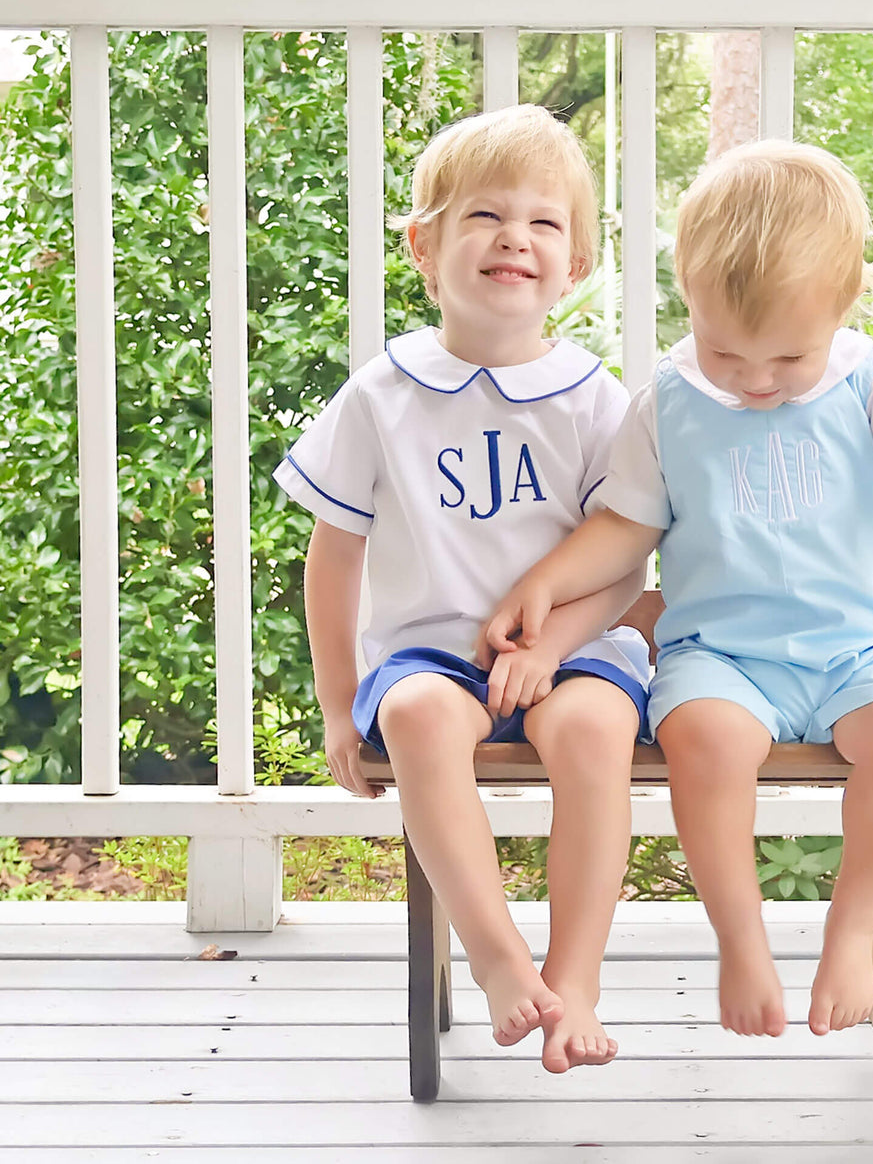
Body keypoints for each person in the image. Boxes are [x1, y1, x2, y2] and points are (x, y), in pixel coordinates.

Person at [481, 140, 873, 1040]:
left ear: (846, 301)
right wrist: (546, 582)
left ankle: (853, 927)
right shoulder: (669, 400)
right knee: (705, 746)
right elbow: (627, 526)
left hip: (859, 650)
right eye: (725, 351)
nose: (753, 381)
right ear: (686, 293)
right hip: (722, 655)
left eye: (785, 359)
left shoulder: (867, 384)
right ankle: (741, 938)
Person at [274, 105, 650, 1073]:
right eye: (483, 215)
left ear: (573, 264)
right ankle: (495, 957)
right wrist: (333, 706)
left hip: (573, 653)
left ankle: (576, 980)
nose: (514, 236)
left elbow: (624, 563)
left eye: (544, 221)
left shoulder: (593, 397)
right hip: (428, 651)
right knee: (417, 715)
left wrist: (548, 648)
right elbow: (333, 556)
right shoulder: (381, 393)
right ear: (424, 243)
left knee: (596, 730)